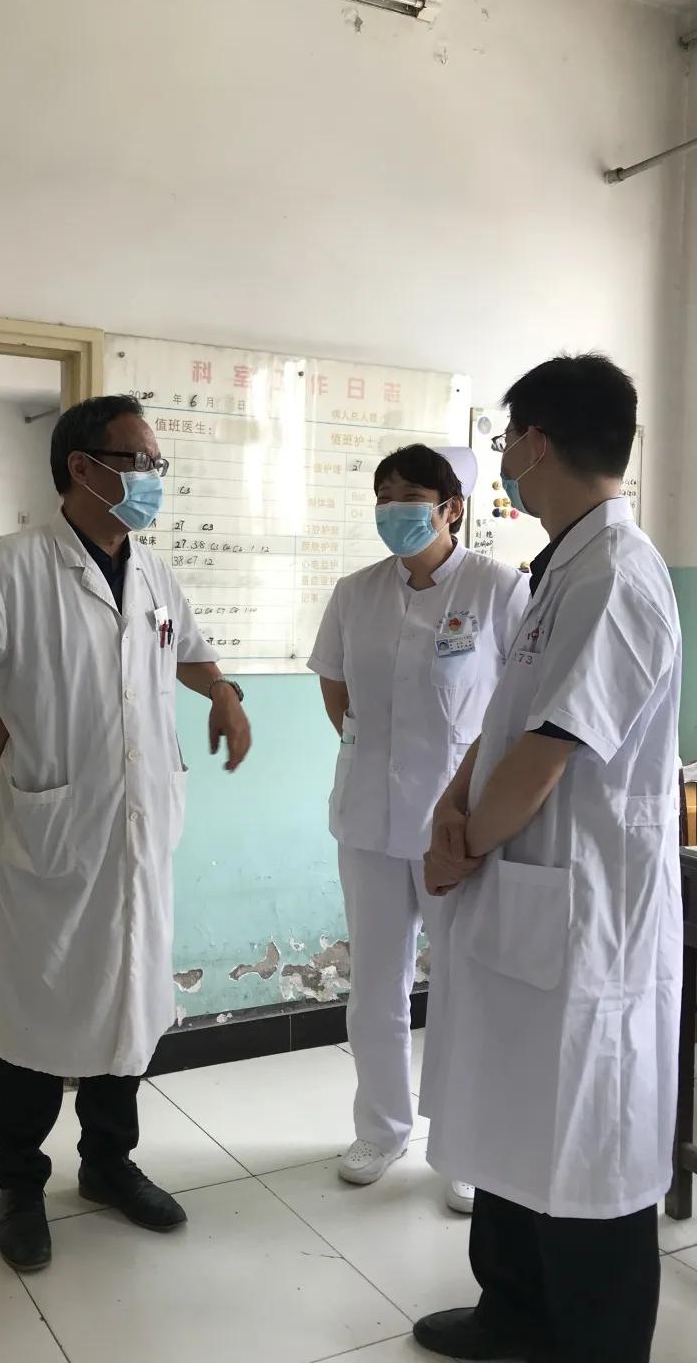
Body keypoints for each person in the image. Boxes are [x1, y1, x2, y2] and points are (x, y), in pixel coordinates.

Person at [0, 393, 252, 1272]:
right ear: (82, 468)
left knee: (127, 998)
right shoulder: (11, 566)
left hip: (139, 830)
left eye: (157, 463)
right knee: (36, 1006)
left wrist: (225, 694)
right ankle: (20, 1182)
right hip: (56, 825)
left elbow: (187, 649)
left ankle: (108, 1164)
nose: (153, 477)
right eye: (139, 461)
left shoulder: (153, 571)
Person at [414, 355, 681, 1363]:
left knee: (586, 1145)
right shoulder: (562, 565)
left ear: (534, 443)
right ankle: (514, 1311)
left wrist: (463, 847)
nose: (503, 460)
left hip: (583, 914)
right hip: (526, 892)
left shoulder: (616, 575)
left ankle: (591, 1343)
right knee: (516, 1116)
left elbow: (551, 750)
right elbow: (508, 721)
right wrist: (453, 804)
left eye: (505, 441)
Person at [309, 444, 528, 1212]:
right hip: (367, 817)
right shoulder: (356, 592)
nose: (392, 509)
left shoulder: (498, 588)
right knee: (375, 985)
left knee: (465, 984)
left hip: (456, 823)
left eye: (409, 495)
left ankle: (465, 1143)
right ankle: (382, 1129)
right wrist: (371, 746)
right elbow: (335, 683)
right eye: (383, 496)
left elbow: (520, 699)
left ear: (450, 508)